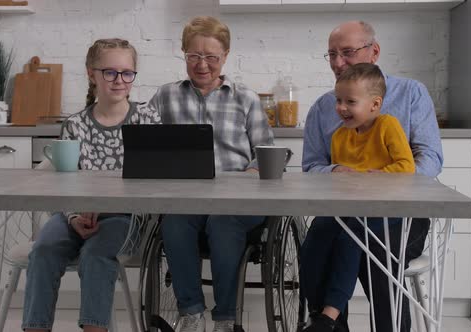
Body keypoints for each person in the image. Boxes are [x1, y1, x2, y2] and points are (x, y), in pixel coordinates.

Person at [301, 21, 443, 332]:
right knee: (317, 239)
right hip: (345, 208)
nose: (338, 63)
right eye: (332, 54)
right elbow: (311, 167)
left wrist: (383, 183)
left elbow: (430, 159)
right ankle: (327, 323)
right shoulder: (325, 109)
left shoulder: (410, 94)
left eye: (348, 52)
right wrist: (337, 171)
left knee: (373, 247)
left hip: (402, 213)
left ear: (374, 51)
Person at [22, 38, 161, 332]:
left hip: (126, 218)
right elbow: (65, 181)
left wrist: (103, 205)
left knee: (95, 255)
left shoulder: (148, 119)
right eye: (109, 72)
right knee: (44, 249)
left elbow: (151, 183)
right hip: (75, 214)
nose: (119, 80)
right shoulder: (75, 125)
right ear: (91, 74)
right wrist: (73, 215)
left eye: (127, 73)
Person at [146, 16, 274, 332]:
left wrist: (250, 175)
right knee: (174, 222)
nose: (202, 64)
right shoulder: (166, 96)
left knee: (223, 221)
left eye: (211, 57)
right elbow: (144, 147)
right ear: (184, 54)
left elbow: (267, 155)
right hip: (187, 197)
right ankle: (190, 313)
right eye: (194, 56)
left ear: (225, 57)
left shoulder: (245, 98)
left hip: (237, 201)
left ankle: (226, 318)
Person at [300, 62, 415, 332]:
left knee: (351, 235)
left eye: (350, 102)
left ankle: (330, 313)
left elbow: (406, 167)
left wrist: (375, 176)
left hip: (388, 209)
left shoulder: (388, 126)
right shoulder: (340, 136)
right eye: (338, 100)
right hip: (351, 208)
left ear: (375, 104)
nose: (341, 108)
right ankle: (319, 312)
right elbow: (342, 186)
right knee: (316, 233)